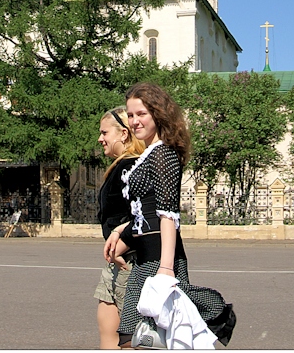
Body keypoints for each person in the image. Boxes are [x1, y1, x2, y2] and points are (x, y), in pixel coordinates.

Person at [103, 83, 235, 348]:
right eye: (130, 115)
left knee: (153, 339)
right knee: (135, 337)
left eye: (141, 114)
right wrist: (122, 236)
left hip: (157, 260)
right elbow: (145, 213)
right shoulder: (148, 154)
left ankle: (219, 313)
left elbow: (167, 215)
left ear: (158, 113)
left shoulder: (164, 154)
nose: (134, 121)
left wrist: (165, 269)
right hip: (143, 258)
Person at [95, 106, 145, 349]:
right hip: (117, 262)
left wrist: (121, 237)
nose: (100, 138)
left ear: (123, 134)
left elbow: (147, 214)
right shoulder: (119, 165)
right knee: (107, 324)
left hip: (131, 263)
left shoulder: (131, 167)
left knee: (131, 339)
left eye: (105, 132)